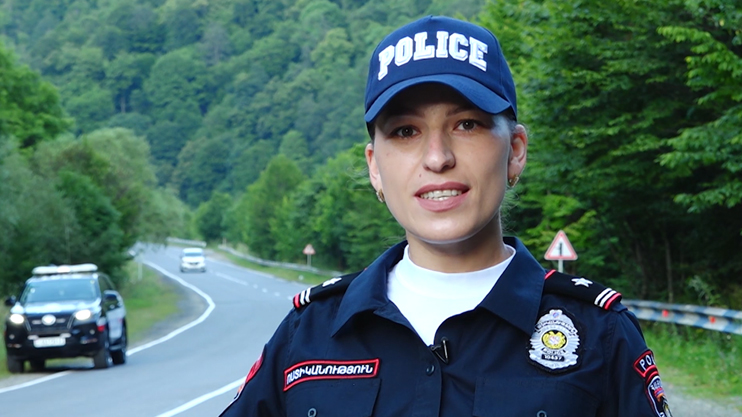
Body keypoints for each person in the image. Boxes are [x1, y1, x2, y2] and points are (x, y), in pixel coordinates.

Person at [220, 15, 671, 417]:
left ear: (515, 151)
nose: (437, 158)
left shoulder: (598, 335)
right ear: (375, 167)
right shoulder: (308, 333)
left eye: (467, 124)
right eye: (406, 131)